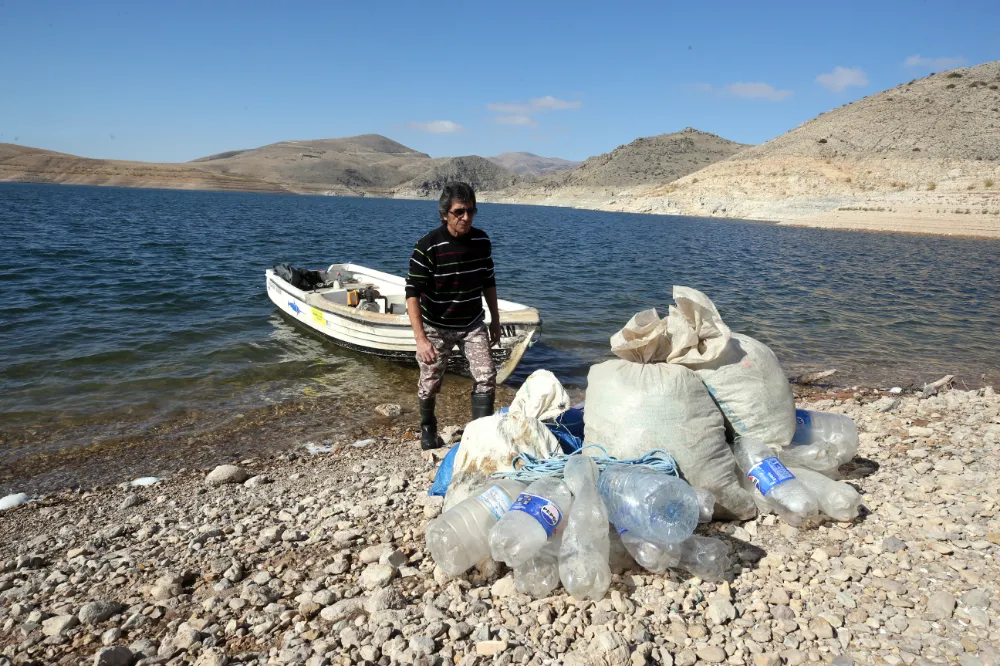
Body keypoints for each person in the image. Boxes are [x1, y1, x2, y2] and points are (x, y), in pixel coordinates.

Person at [405, 182, 501, 450]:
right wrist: (421, 339)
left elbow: (489, 282)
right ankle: (428, 430)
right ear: (444, 213)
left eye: (471, 211)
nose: (466, 218)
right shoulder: (428, 246)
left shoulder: (481, 241)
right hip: (436, 326)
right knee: (430, 382)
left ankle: (480, 437)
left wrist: (495, 319)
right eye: (459, 212)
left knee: (486, 376)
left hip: (472, 324)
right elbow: (412, 293)